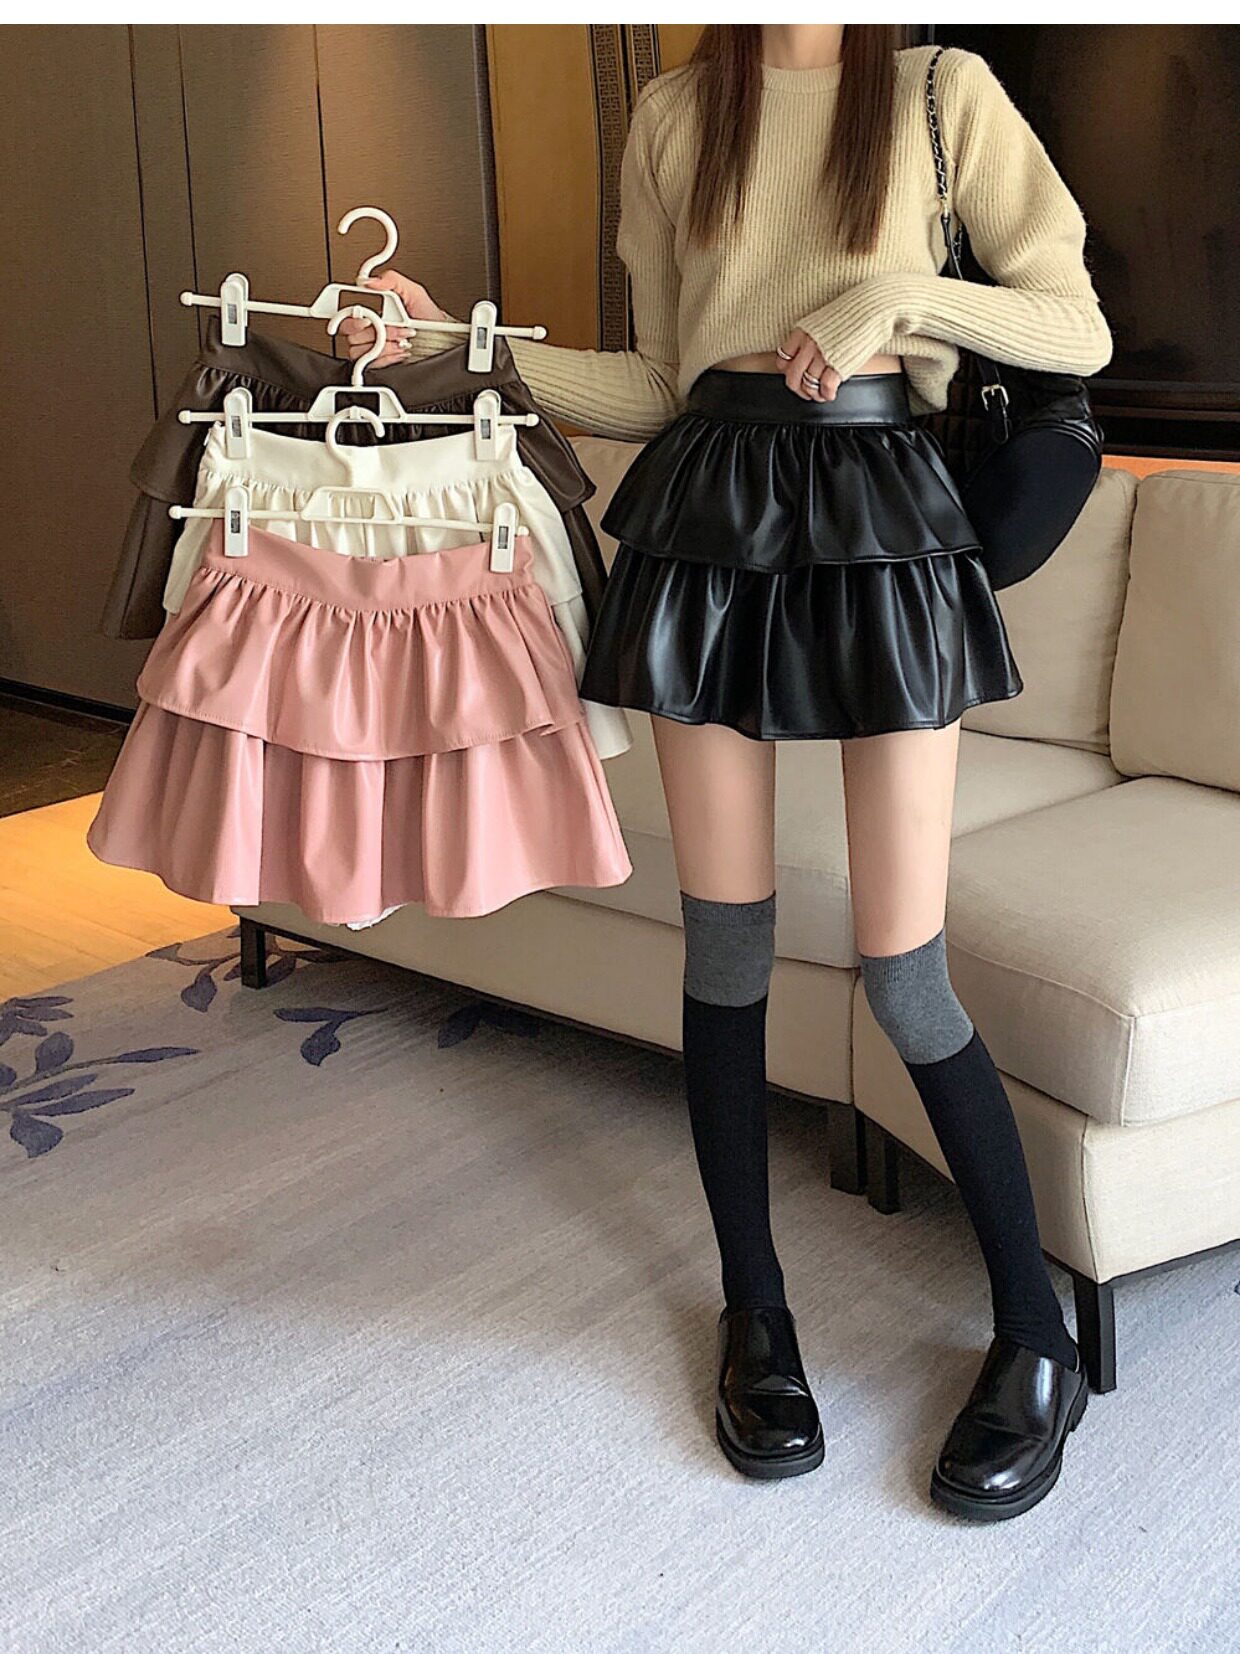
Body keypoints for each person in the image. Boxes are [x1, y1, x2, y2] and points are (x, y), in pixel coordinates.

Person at [342, 23, 1112, 1521]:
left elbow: (1072, 324)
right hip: (707, 507)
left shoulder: (942, 92)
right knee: (728, 947)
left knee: (907, 970)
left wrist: (895, 297)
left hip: (890, 511)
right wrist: (461, 349)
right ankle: (756, 1315)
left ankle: (1037, 1335)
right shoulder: (674, 113)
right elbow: (654, 378)